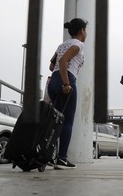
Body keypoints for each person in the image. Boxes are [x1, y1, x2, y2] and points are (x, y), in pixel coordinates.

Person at [47, 18, 88, 169]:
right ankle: (62, 158)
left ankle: (48, 153)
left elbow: (52, 66)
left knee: (55, 120)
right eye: (85, 30)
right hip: (67, 80)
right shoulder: (78, 44)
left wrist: (59, 78)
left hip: (54, 81)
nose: (86, 33)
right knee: (67, 121)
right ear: (82, 30)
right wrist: (66, 83)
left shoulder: (62, 45)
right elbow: (64, 61)